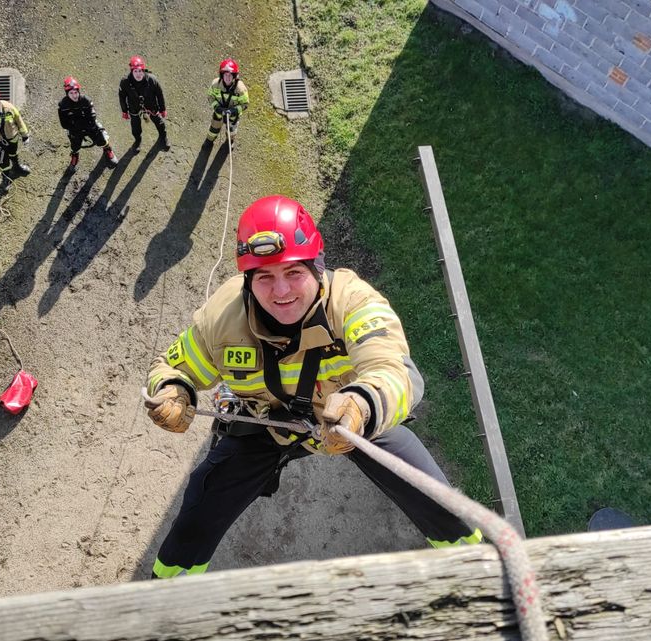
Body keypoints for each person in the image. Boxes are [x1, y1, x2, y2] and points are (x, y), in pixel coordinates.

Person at [142, 195, 481, 579]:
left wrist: (361, 406)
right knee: (197, 515)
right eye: (264, 277)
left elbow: (395, 371)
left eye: (293, 272)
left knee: (440, 502)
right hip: (265, 426)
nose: (281, 291)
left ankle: (476, 572)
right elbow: (171, 367)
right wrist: (174, 391)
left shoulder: (352, 304)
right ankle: (166, 595)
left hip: (349, 423)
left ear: (317, 269)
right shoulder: (223, 320)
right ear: (247, 283)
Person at [57, 76, 118, 171]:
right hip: (74, 128)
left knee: (100, 136)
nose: (74, 95)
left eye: (76, 92)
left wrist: (87, 126)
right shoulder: (62, 106)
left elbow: (92, 117)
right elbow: (64, 124)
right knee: (74, 143)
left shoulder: (86, 100)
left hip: (89, 125)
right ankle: (75, 155)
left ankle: (107, 149)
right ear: (67, 93)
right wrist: (75, 127)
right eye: (71, 93)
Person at [118, 56, 169, 152]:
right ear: (131, 71)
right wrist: (124, 111)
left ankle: (163, 137)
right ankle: (138, 140)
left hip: (151, 105)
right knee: (135, 125)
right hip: (134, 106)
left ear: (143, 70)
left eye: (140, 71)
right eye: (135, 71)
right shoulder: (125, 82)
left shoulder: (152, 80)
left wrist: (163, 109)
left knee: (159, 122)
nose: (138, 74)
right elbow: (122, 96)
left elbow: (159, 94)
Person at [204, 58, 249, 147]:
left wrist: (234, 111)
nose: (227, 78)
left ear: (234, 76)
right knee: (213, 128)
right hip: (219, 113)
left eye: (230, 75)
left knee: (231, 131)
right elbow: (210, 97)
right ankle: (209, 141)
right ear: (222, 75)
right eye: (225, 75)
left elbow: (245, 104)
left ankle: (230, 142)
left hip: (233, 115)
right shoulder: (215, 84)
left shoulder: (241, 89)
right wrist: (217, 108)